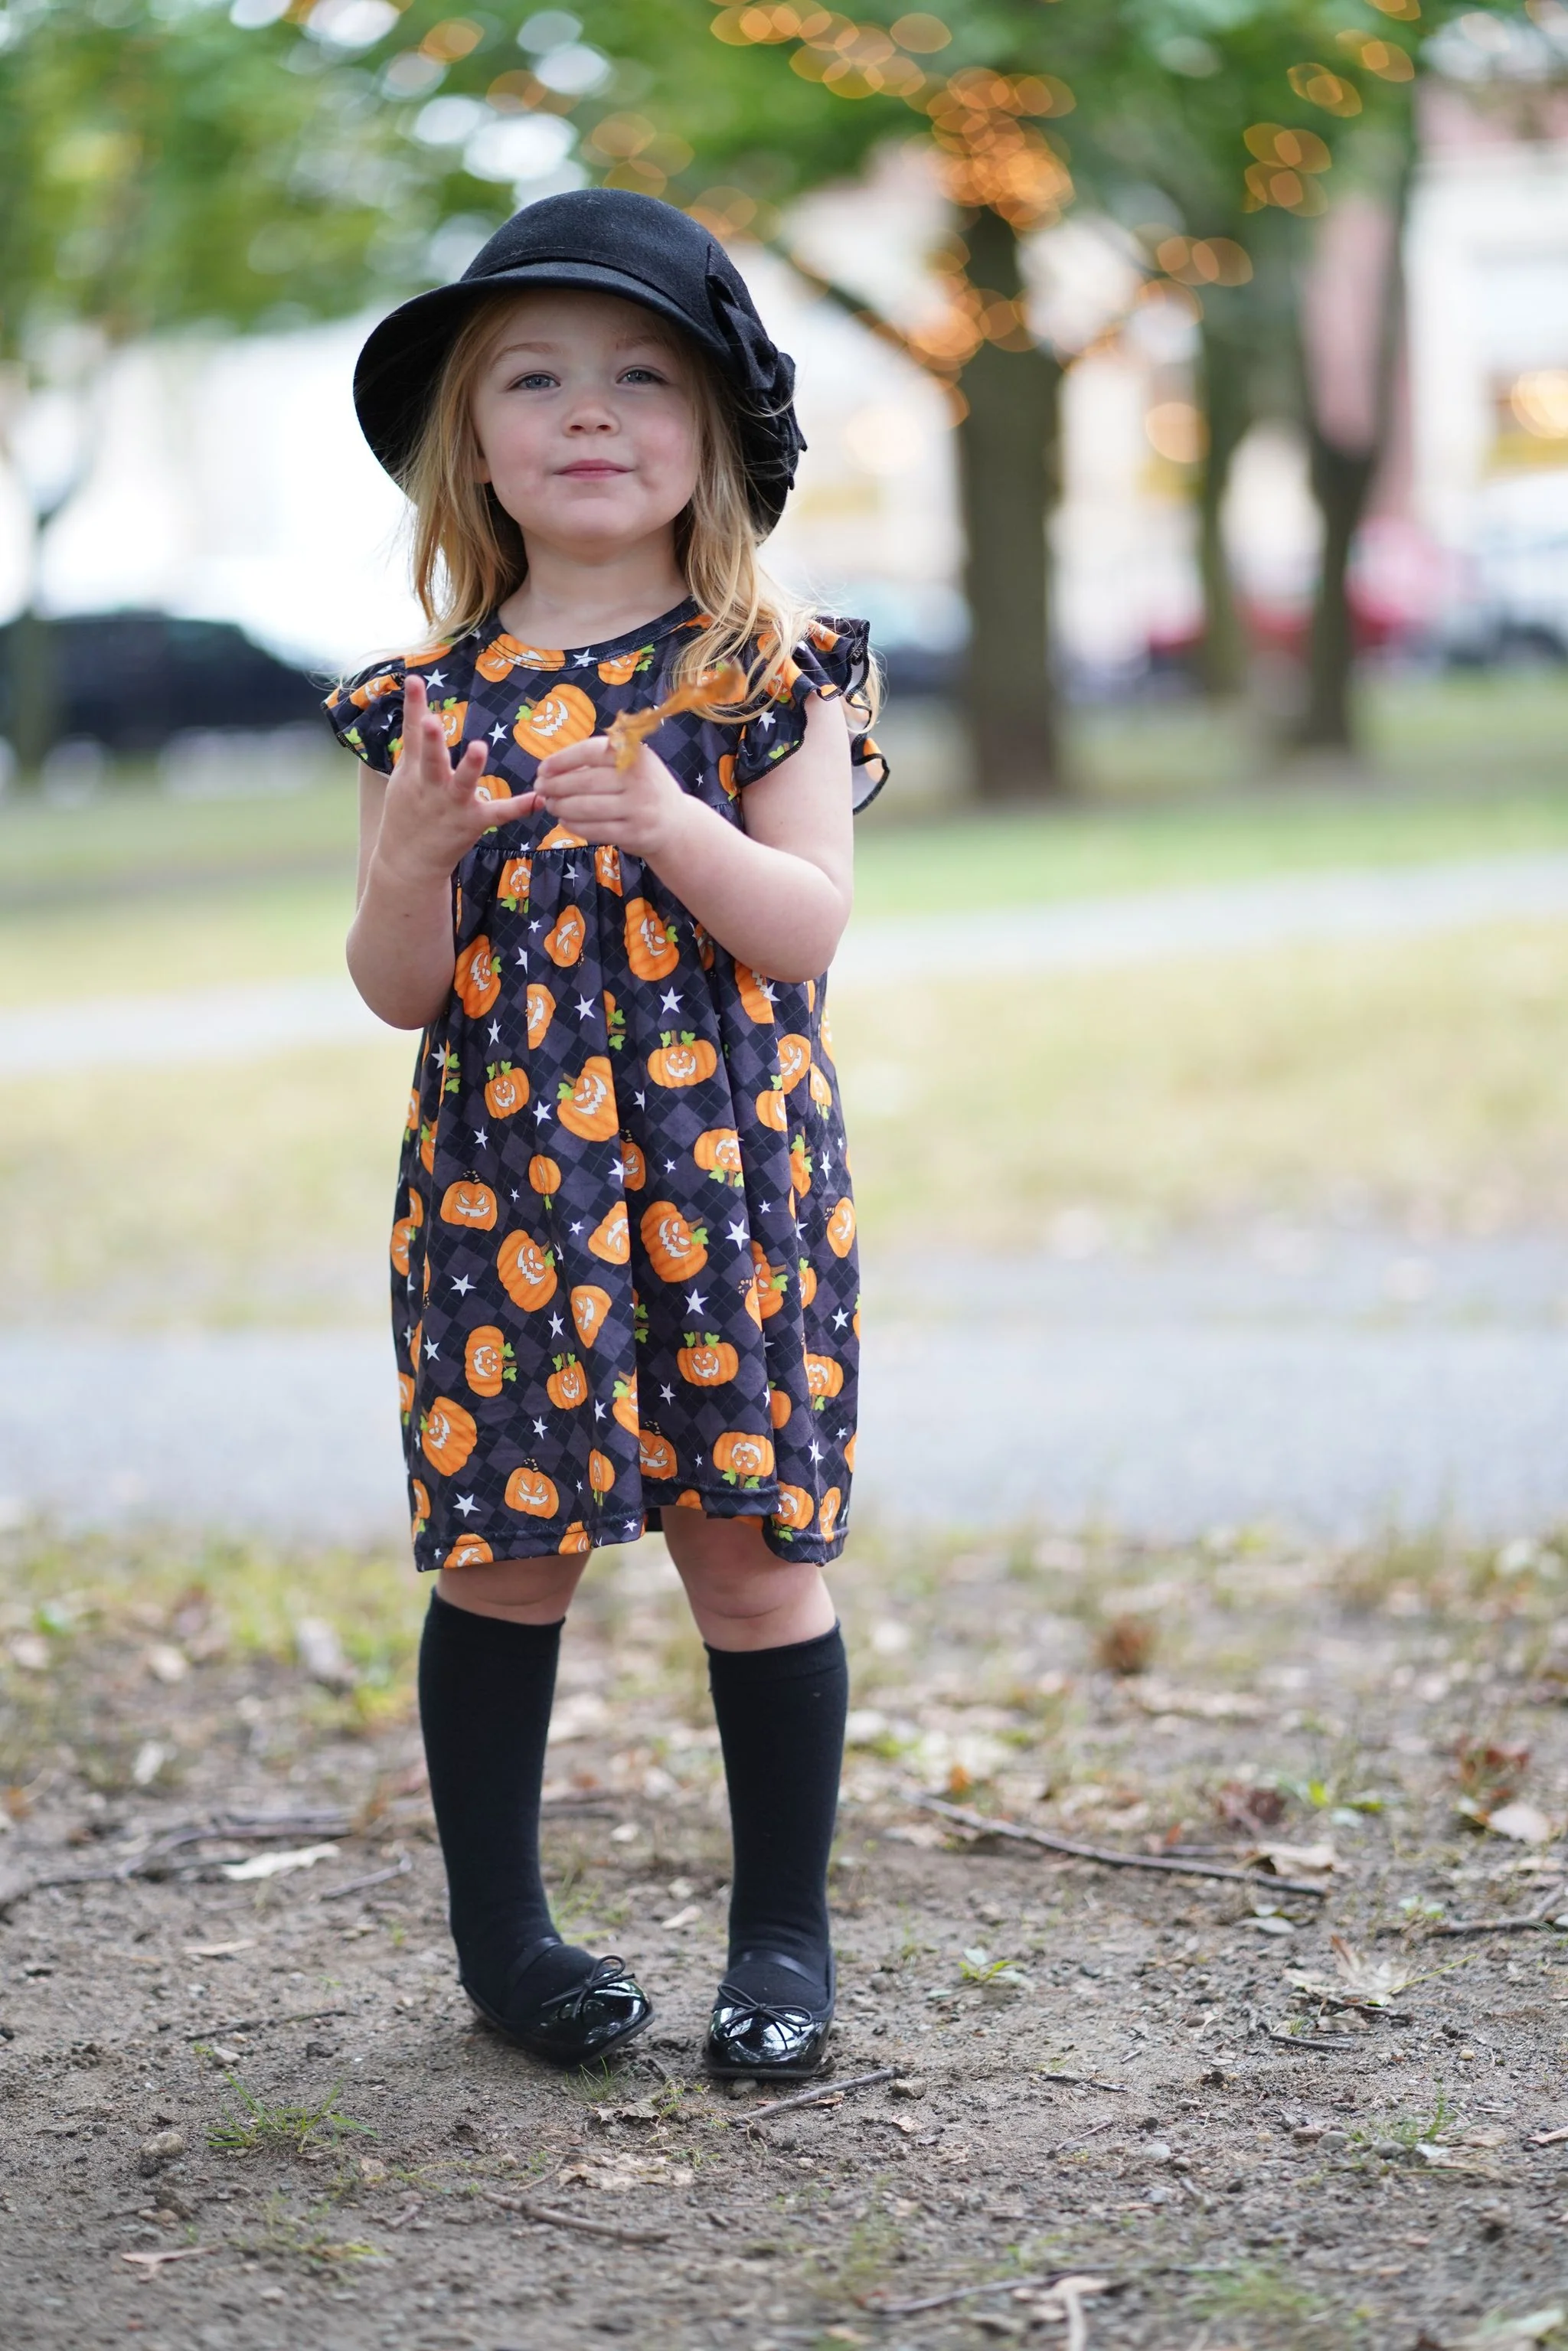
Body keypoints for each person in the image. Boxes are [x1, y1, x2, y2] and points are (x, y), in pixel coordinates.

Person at [326, 188, 885, 2081]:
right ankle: (506, 1938)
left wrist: (668, 818)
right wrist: (416, 850)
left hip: (733, 1186)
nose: (590, 411)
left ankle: (781, 1941)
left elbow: (806, 928)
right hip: (508, 1193)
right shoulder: (432, 705)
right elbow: (399, 986)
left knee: (751, 1550)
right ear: (469, 442)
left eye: (642, 376)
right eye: (538, 378)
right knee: (505, 1551)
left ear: (714, 434)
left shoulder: (768, 672)